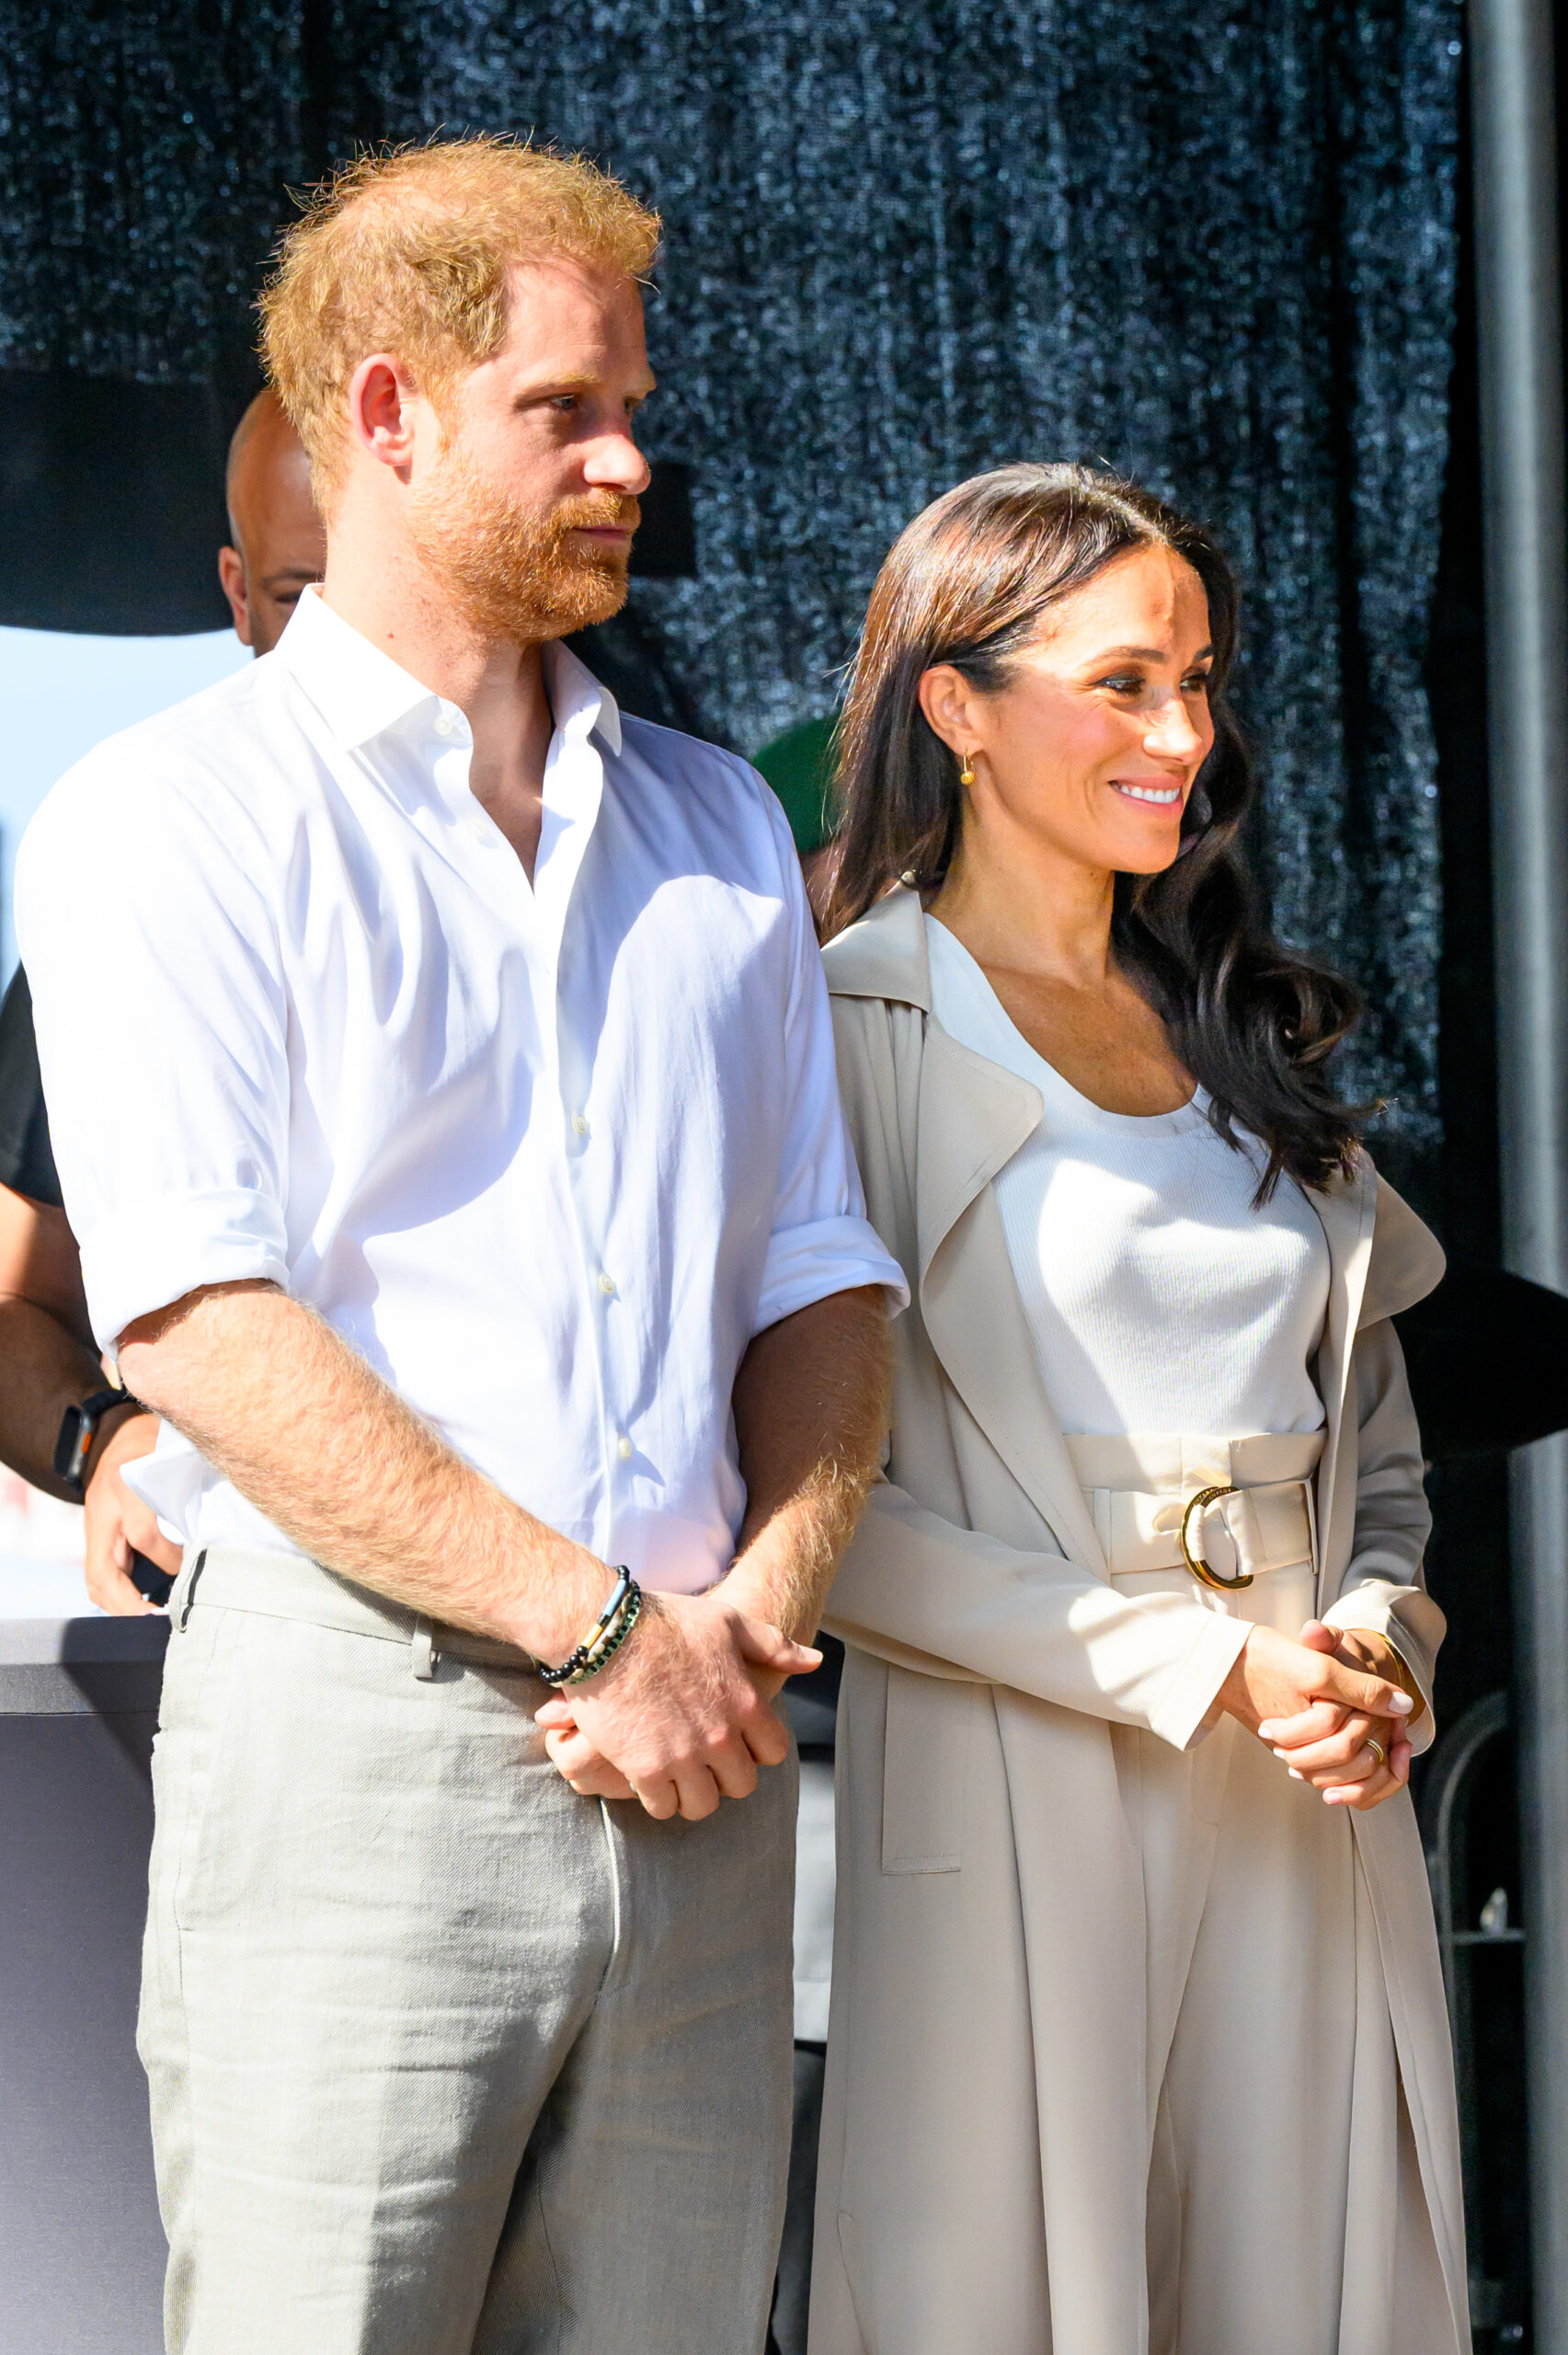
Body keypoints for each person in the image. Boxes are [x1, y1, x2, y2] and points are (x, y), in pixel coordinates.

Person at [17, 135, 902, 2355]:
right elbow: (196, 1322)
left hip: (702, 1752)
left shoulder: (715, 821)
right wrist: (608, 1627)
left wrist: (743, 1619)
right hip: (364, 1731)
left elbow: (820, 1275)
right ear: (389, 414)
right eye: (565, 409)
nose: (631, 459)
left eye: (633, 404)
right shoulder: (167, 817)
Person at [808, 464, 1468, 2355]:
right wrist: (1198, 1664)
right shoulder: (841, 1030)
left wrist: (1374, 1641)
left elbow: (1379, 1454)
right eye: (1120, 683)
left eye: (1196, 681)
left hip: (1304, 1781)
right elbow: (809, 1511)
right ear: (954, 703)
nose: (1181, 734)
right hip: (1015, 1774)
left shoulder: (1239, 1024)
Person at [0, 387, 326, 1605]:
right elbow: (13, 1298)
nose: (345, 647)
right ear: (236, 595)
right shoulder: (135, 877)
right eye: (299, 597)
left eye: (376, 596)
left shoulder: (638, 844)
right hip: (253, 1610)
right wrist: (106, 1439)